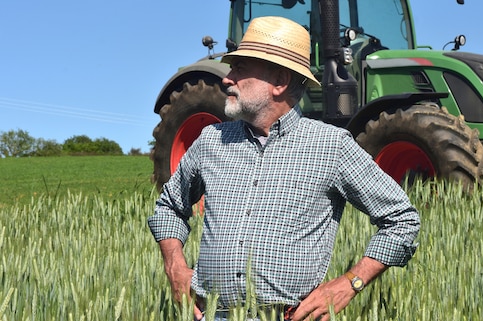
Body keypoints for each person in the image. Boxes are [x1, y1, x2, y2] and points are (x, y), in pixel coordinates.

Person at [148, 16, 421, 321]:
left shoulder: (331, 146)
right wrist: (175, 267)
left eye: (240, 69)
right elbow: (169, 207)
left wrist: (350, 283)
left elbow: (402, 220)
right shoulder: (211, 141)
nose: (226, 79)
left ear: (279, 82)